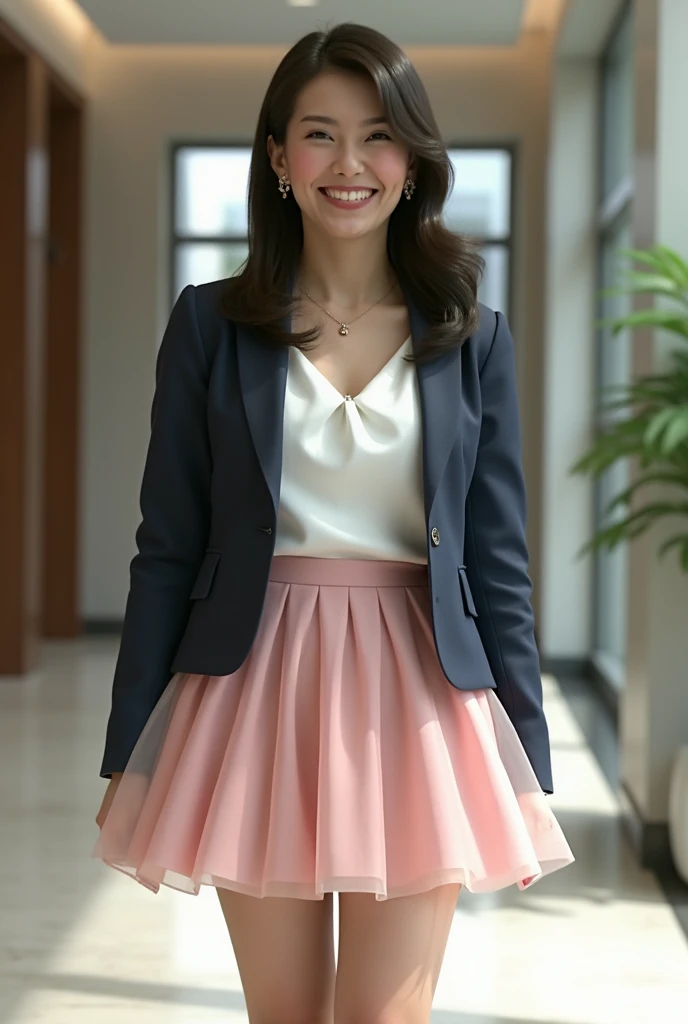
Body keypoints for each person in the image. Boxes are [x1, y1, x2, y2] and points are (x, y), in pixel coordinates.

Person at [93, 21, 574, 1023]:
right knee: (285, 1013)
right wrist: (130, 747)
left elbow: (498, 558)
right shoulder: (210, 323)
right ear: (277, 157)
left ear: (412, 161)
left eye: (378, 135)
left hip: (419, 690)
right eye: (319, 134)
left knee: (382, 1015)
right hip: (251, 685)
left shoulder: (470, 337)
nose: (350, 163)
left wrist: (524, 750)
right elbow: (166, 544)